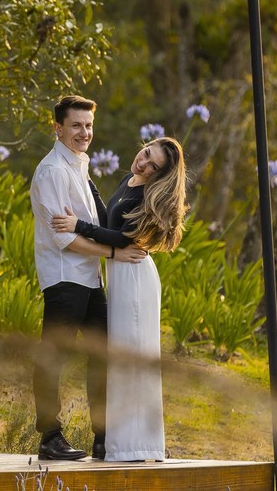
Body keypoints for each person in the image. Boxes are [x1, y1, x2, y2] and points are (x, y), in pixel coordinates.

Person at [51, 136, 187, 462]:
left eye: (153, 166)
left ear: (160, 175)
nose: (144, 164)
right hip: (121, 275)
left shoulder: (148, 195)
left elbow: (123, 239)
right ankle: (118, 443)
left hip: (135, 275)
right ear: (144, 145)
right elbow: (107, 214)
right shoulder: (130, 180)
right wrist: (86, 182)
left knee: (132, 356)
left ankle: (138, 446)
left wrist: (76, 226)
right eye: (145, 154)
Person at [29, 94, 148, 461]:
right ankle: (50, 437)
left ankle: (104, 436)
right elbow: (63, 239)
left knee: (104, 356)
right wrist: (115, 252)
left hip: (91, 279)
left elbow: (93, 223)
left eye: (89, 125)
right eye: (76, 125)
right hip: (65, 280)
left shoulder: (78, 164)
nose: (84, 132)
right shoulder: (52, 171)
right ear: (58, 127)